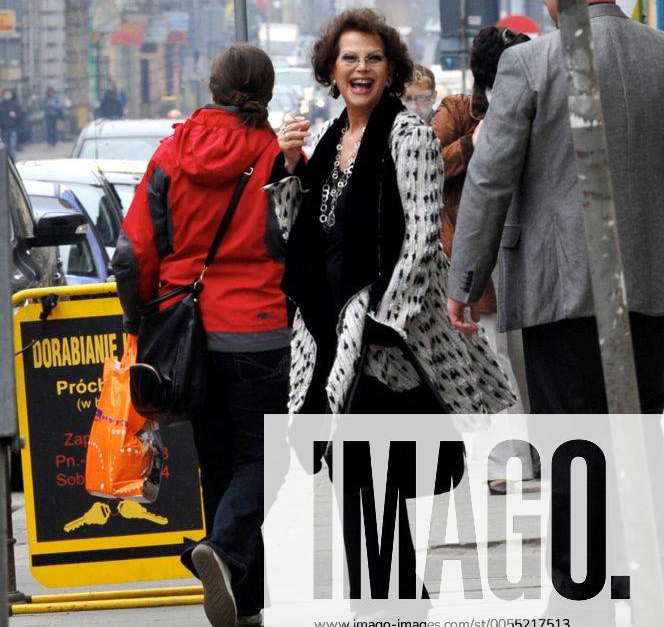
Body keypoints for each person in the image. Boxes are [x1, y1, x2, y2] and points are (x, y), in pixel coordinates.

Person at [267, 7, 514, 602]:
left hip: (384, 345)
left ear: (391, 68)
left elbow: (425, 240)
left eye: (373, 58)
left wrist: (383, 324)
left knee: (379, 484)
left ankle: (397, 602)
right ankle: (385, 602)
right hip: (329, 338)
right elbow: (296, 234)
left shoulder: (408, 136)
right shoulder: (327, 139)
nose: (361, 68)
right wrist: (291, 170)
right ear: (331, 68)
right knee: (352, 486)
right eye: (349, 57)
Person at [447, 1, 664, 622]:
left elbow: (490, 178)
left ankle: (578, 601)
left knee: (575, 455)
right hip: (651, 290)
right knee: (641, 451)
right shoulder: (660, 55)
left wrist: (466, 278)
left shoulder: (530, 60)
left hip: (561, 291)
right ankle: (637, 593)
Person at [112, 44, 290, 627]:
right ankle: (228, 553)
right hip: (260, 332)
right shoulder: (275, 156)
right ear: (263, 92)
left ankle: (244, 603)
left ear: (212, 89)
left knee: (217, 464)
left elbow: (132, 252)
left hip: (185, 339)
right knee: (269, 459)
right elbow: (294, 245)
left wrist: (138, 320)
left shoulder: (169, 154)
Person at [431, 26, 532, 496]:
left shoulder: (534, 99)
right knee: (496, 359)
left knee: (527, 358)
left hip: (528, 247)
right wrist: (474, 142)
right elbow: (426, 165)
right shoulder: (458, 111)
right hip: (479, 249)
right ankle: (506, 462)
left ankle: (529, 454)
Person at [0, 88, 22, 159]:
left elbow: (20, 114)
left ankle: (13, 161)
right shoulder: (1, 104)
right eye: (6, 94)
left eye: (9, 94)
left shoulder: (15, 104)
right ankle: (6, 163)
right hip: (4, 129)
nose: (7, 95)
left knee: (12, 146)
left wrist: (15, 115)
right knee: (5, 147)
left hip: (13, 128)